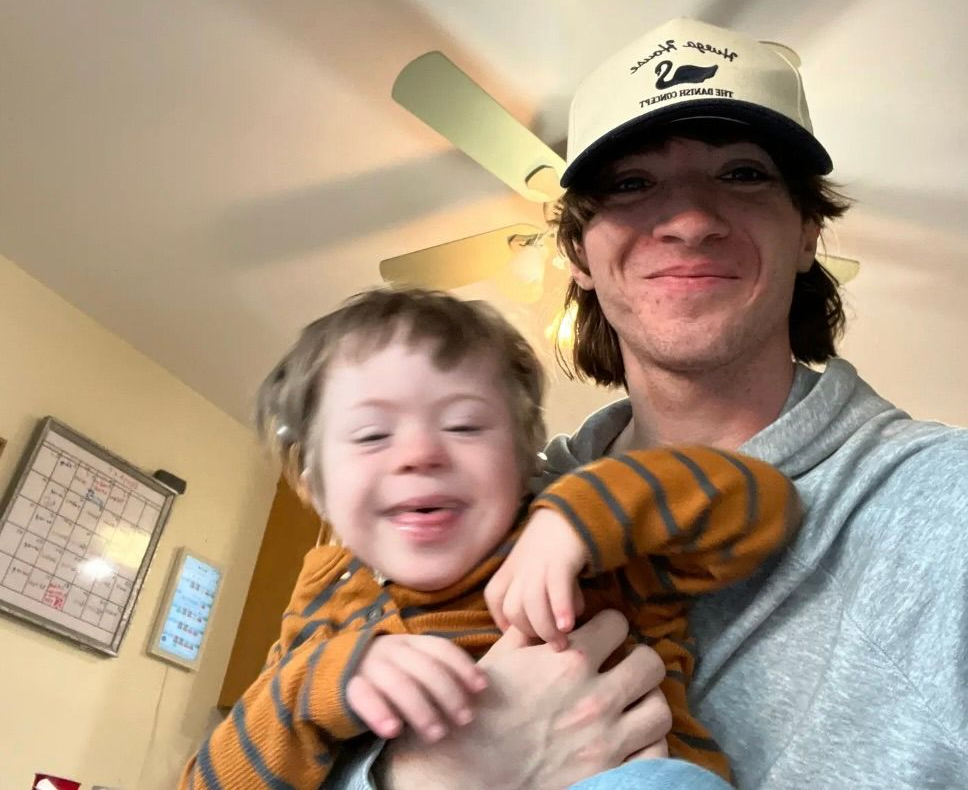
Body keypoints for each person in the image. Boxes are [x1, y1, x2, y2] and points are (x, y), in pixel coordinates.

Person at [326, 16, 968, 790]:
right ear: (577, 255)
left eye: (742, 174)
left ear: (807, 232)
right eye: (632, 184)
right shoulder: (466, 504)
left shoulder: (945, 507)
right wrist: (432, 776)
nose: (691, 221)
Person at [179, 286, 799, 789]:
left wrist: (575, 518)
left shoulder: (583, 549)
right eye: (371, 436)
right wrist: (310, 690)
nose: (420, 454)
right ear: (315, 487)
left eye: (464, 425)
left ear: (523, 458)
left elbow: (761, 506)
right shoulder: (321, 611)